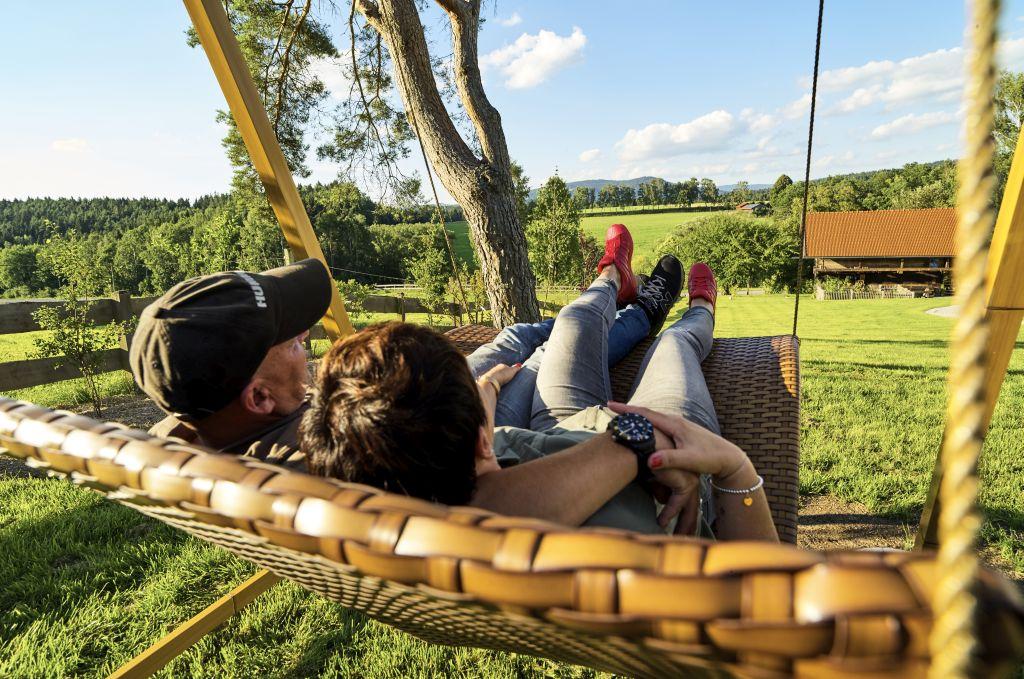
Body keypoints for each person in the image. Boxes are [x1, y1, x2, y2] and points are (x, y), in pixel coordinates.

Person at [302, 229, 778, 540]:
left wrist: (487, 391)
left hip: (564, 432)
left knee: (572, 321)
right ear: (481, 440)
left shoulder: (422, 492)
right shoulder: (627, 538)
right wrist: (736, 469)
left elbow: (477, 465)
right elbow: (766, 609)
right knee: (674, 344)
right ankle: (701, 309)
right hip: (670, 450)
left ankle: (614, 279)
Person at [467, 224, 684, 429]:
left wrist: (487, 383)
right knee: (548, 354)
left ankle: (613, 300)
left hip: (449, 398)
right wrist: (490, 384)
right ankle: (641, 311)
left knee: (515, 336)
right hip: (479, 431)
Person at [129, 258, 332, 469]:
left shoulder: (175, 436)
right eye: (292, 344)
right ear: (259, 398)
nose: (304, 333)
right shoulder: (322, 457)